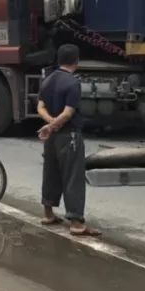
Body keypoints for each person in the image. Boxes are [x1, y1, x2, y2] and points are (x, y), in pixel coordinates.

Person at [37, 44, 100, 236]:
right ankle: (76, 222)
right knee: (73, 176)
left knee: (51, 173)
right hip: (69, 135)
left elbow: (40, 107)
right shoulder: (72, 83)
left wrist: (49, 124)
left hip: (52, 138)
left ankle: (48, 214)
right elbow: (68, 113)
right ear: (76, 60)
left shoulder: (47, 80)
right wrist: (53, 125)